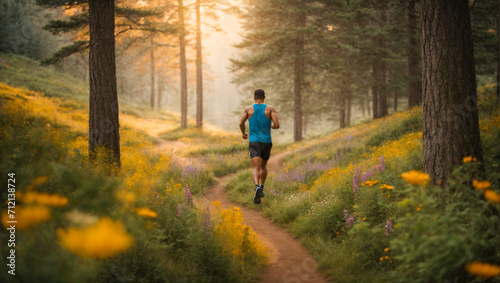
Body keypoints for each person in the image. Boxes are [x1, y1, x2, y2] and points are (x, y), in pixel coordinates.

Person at [239, 88, 280, 204]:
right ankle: (261, 186)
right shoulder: (270, 109)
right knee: (263, 166)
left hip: (254, 142)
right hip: (266, 141)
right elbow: (276, 125)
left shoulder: (248, 109)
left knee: (255, 168)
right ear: (264, 97)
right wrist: (272, 126)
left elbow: (241, 123)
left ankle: (256, 186)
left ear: (254, 97)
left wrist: (243, 133)